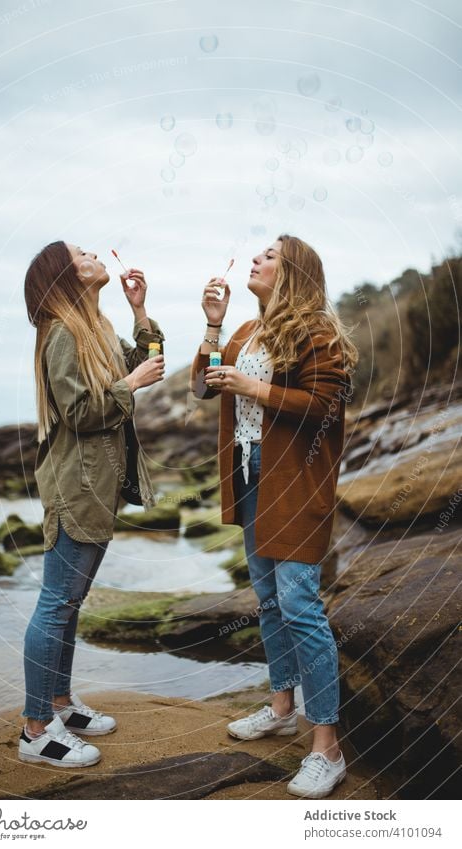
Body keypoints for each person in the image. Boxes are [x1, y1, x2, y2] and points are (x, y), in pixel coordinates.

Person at [190, 233, 358, 799]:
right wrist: (214, 327)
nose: (255, 259)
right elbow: (201, 387)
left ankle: (327, 748)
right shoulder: (246, 330)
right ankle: (283, 706)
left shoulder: (318, 331)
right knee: (268, 601)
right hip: (249, 475)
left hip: (295, 478)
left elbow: (324, 408)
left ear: (293, 274)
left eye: (268, 256)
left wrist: (253, 387)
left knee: (299, 604)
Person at [20, 241, 165, 767]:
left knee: (69, 603)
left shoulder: (98, 328)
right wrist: (130, 383)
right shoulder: (60, 332)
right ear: (67, 274)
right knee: (56, 603)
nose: (95, 254)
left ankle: (59, 703)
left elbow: (152, 365)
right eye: (83, 252)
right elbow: (80, 411)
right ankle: (36, 729)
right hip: (74, 487)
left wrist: (140, 311)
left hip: (98, 485)